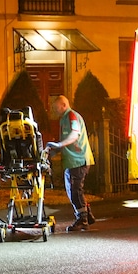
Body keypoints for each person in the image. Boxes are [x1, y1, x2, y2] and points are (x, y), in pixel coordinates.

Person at [44, 95, 96, 231]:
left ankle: (82, 220)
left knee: (75, 191)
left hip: (78, 160)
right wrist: (53, 151)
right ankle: (87, 214)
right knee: (74, 190)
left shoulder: (72, 116)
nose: (54, 111)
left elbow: (74, 135)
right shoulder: (64, 119)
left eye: (56, 108)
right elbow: (66, 142)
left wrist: (59, 144)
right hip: (72, 160)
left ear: (63, 105)